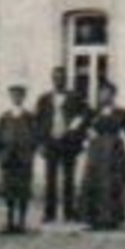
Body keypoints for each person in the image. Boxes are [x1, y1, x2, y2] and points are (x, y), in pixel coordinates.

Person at [34, 67, 88, 224]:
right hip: (51, 142)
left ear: (66, 79)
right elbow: (38, 122)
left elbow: (84, 115)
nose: (59, 81)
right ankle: (49, 213)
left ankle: (69, 212)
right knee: (50, 178)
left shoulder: (75, 97)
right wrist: (40, 143)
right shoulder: (44, 99)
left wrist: (74, 129)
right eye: (56, 78)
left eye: (62, 78)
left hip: (68, 142)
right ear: (52, 80)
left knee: (68, 179)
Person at [79, 82, 125, 230]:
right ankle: (93, 219)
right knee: (94, 182)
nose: (103, 96)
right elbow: (81, 127)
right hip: (96, 151)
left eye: (107, 93)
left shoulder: (121, 112)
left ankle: (112, 219)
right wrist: (87, 135)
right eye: (101, 92)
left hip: (114, 151)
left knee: (112, 183)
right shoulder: (92, 112)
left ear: (113, 95)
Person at [0, 84, 38, 234]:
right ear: (10, 97)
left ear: (23, 97)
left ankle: (21, 222)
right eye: (14, 95)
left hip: (24, 159)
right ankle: (9, 221)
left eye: (19, 95)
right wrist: (1, 156)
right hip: (8, 159)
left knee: (23, 191)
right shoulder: (4, 117)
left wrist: (30, 153)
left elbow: (35, 138)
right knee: (9, 191)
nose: (16, 98)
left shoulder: (29, 117)